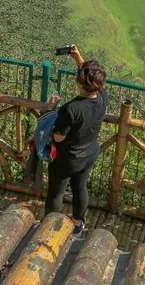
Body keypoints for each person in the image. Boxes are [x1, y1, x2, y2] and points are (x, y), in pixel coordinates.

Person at [45, 45, 108, 236]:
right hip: (89, 153)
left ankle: (50, 228)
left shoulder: (71, 109)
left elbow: (58, 136)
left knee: (56, 193)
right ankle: (78, 223)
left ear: (78, 82)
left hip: (68, 158)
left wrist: (50, 109)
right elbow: (91, 77)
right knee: (80, 187)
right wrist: (78, 58)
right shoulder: (102, 96)